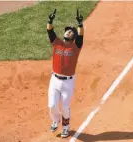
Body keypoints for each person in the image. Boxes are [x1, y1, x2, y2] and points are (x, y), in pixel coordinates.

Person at [47, 8, 84, 138]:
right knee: (51, 105)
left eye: (70, 31)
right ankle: (56, 119)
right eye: (67, 30)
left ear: (73, 37)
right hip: (54, 81)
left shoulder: (75, 48)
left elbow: (81, 37)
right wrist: (50, 20)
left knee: (65, 107)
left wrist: (80, 24)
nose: (68, 32)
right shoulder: (57, 43)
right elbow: (50, 31)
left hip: (68, 82)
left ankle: (65, 127)